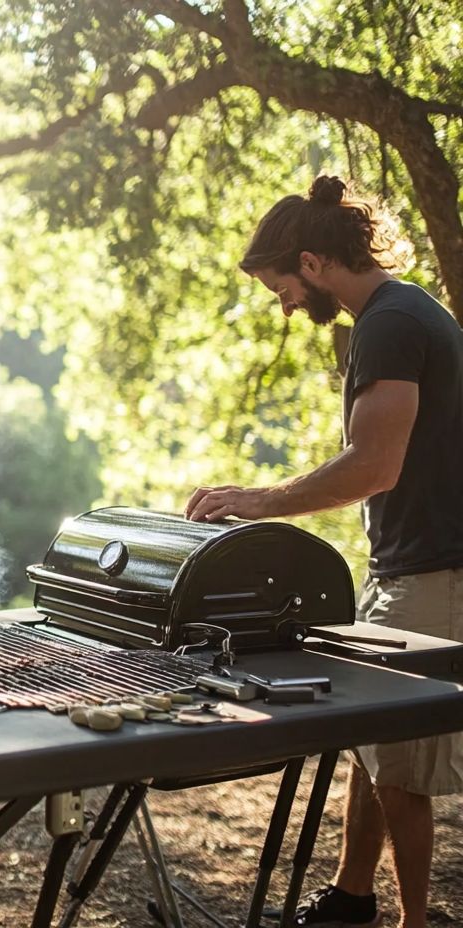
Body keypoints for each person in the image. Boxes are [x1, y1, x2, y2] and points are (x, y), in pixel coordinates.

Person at [184, 174, 463, 928]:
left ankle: (414, 922)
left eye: (282, 287)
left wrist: (260, 502)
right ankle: (351, 899)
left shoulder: (391, 322)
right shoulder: (394, 316)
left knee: (400, 767)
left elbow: (375, 466)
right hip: (406, 566)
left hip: (437, 574)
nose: (284, 306)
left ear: (311, 263)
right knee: (368, 747)